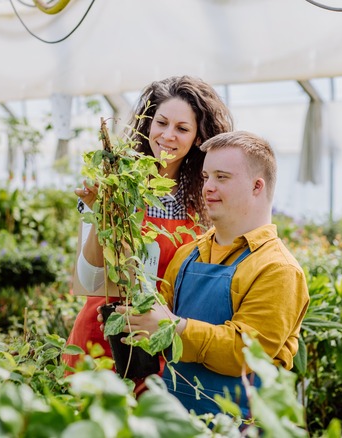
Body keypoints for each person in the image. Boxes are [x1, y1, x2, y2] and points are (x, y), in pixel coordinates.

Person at [114, 131, 310, 417]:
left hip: (239, 425)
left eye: (222, 177)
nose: (207, 187)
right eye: (206, 177)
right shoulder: (188, 253)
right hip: (176, 419)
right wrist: (130, 321)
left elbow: (244, 353)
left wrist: (173, 328)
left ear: (257, 186)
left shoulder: (277, 269)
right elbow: (157, 324)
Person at [63, 76, 234, 377]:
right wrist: (104, 209)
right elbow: (89, 280)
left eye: (182, 129)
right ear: (148, 125)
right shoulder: (116, 185)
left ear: (197, 138)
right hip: (100, 336)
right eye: (161, 123)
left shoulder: (203, 206)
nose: (168, 135)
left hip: (160, 347)